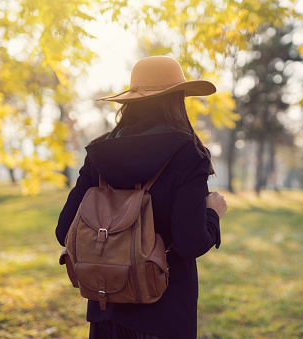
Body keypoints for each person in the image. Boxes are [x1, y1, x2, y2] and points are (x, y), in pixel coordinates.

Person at [55, 55, 228, 339]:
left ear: (130, 101)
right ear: (177, 100)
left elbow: (65, 232)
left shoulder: (99, 152)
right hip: (164, 314)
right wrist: (213, 213)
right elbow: (189, 243)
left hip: (106, 309)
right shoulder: (189, 155)